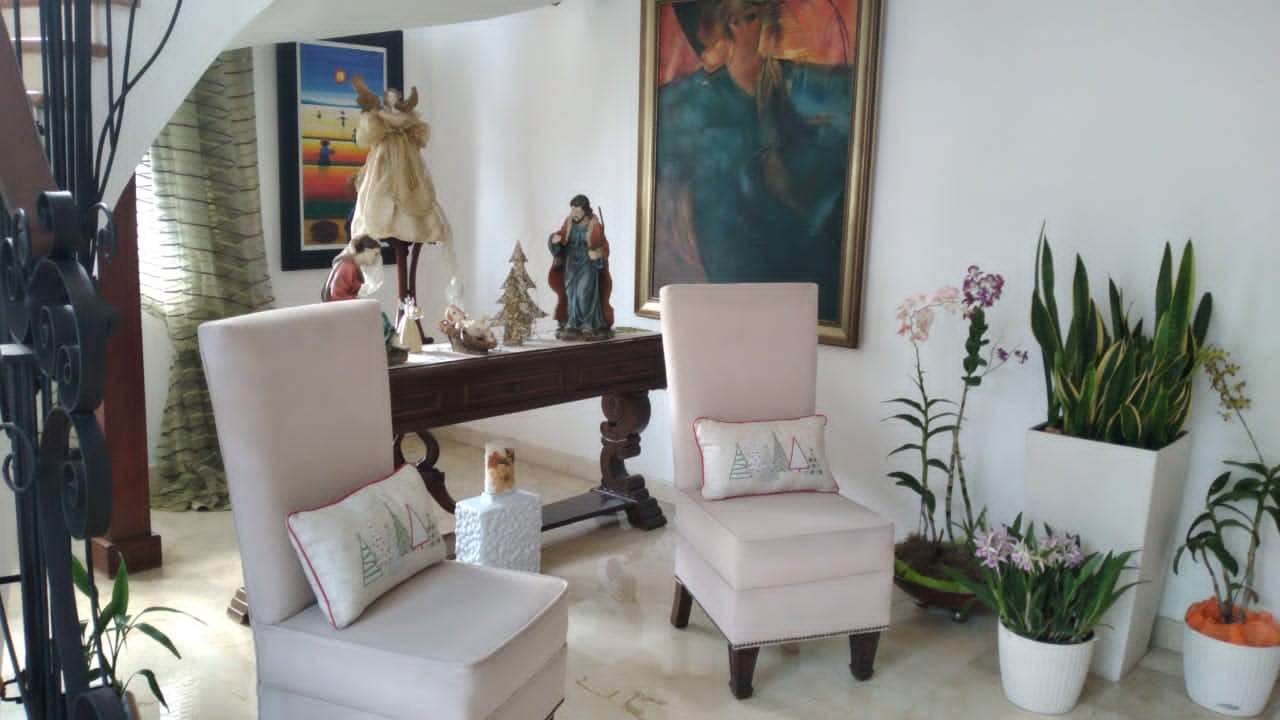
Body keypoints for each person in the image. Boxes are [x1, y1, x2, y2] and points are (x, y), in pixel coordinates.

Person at [655, 0, 854, 321]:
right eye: (734, 21)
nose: (745, 29)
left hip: (796, 245)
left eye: (751, 17)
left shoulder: (792, 80)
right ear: (713, 31)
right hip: (731, 246)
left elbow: (840, 114)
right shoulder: (691, 98)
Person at [348, 77, 450, 247]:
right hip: (385, 154)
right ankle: (384, 221)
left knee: (408, 185)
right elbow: (372, 131)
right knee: (380, 183)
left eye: (395, 97)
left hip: (404, 156)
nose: (392, 99)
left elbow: (413, 129)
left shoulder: (404, 117)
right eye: (390, 97)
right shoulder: (380, 115)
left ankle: (414, 226)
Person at [548, 194, 614, 340]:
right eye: (572, 210)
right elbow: (561, 236)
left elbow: (604, 247)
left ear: (585, 210)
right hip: (571, 262)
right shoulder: (569, 222)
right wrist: (554, 240)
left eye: (577, 211)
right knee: (570, 292)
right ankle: (573, 322)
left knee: (583, 292)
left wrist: (597, 253)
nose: (574, 214)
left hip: (587, 263)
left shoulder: (594, 224)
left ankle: (588, 324)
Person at [322, 236, 384, 302]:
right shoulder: (347, 267)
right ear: (366, 250)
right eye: (376, 254)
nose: (376, 258)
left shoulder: (350, 265)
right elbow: (337, 295)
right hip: (340, 307)